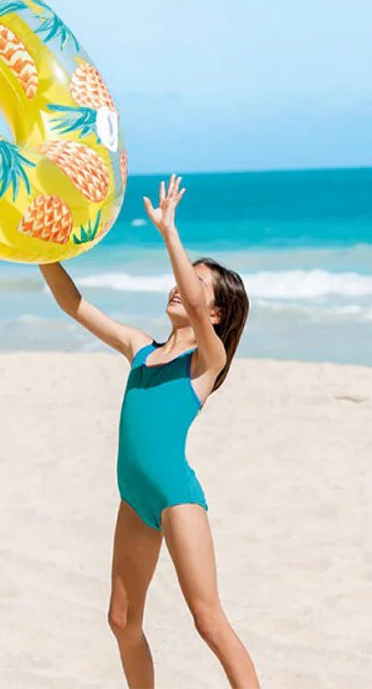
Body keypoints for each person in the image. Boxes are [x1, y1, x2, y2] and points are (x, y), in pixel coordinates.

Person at [39, 173, 259, 687]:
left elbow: (193, 301)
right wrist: (36, 250)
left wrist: (170, 233)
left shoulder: (207, 361)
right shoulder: (140, 347)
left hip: (176, 498)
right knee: (122, 621)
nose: (179, 289)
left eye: (196, 286)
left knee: (208, 620)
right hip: (133, 498)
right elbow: (74, 304)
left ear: (215, 311)